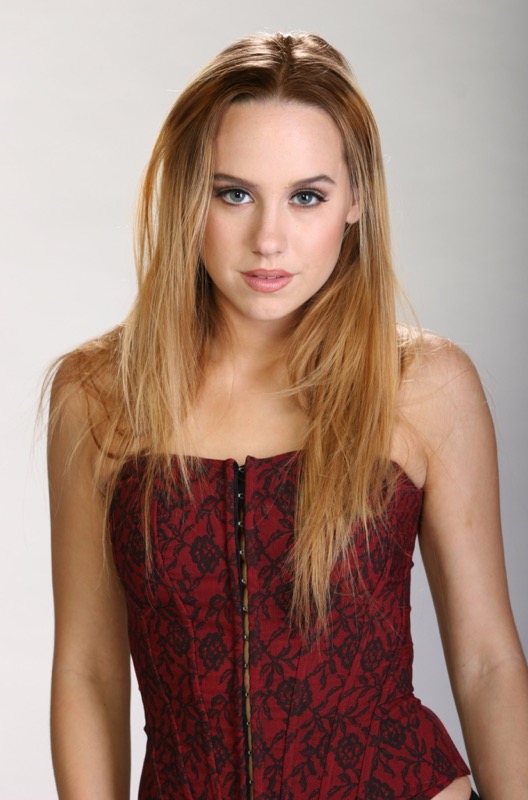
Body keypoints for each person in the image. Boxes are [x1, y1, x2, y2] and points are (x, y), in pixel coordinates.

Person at [46, 31, 528, 800]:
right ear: (187, 193)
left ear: (355, 200)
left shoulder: (425, 387)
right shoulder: (100, 395)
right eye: (233, 193)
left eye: (307, 196)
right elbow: (88, 670)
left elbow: (486, 663)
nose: (268, 239)